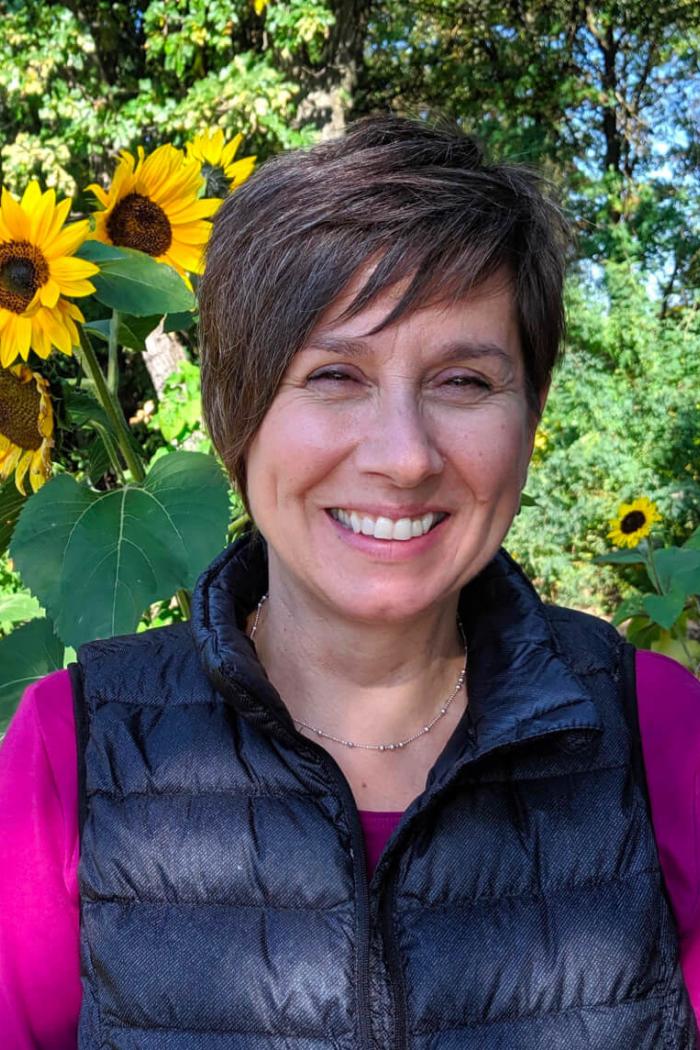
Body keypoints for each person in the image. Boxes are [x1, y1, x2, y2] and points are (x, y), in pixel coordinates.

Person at [1, 115, 699, 1049]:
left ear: (529, 421)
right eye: (334, 374)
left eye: (463, 382)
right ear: (238, 416)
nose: (405, 458)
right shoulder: (69, 751)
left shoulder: (658, 732)